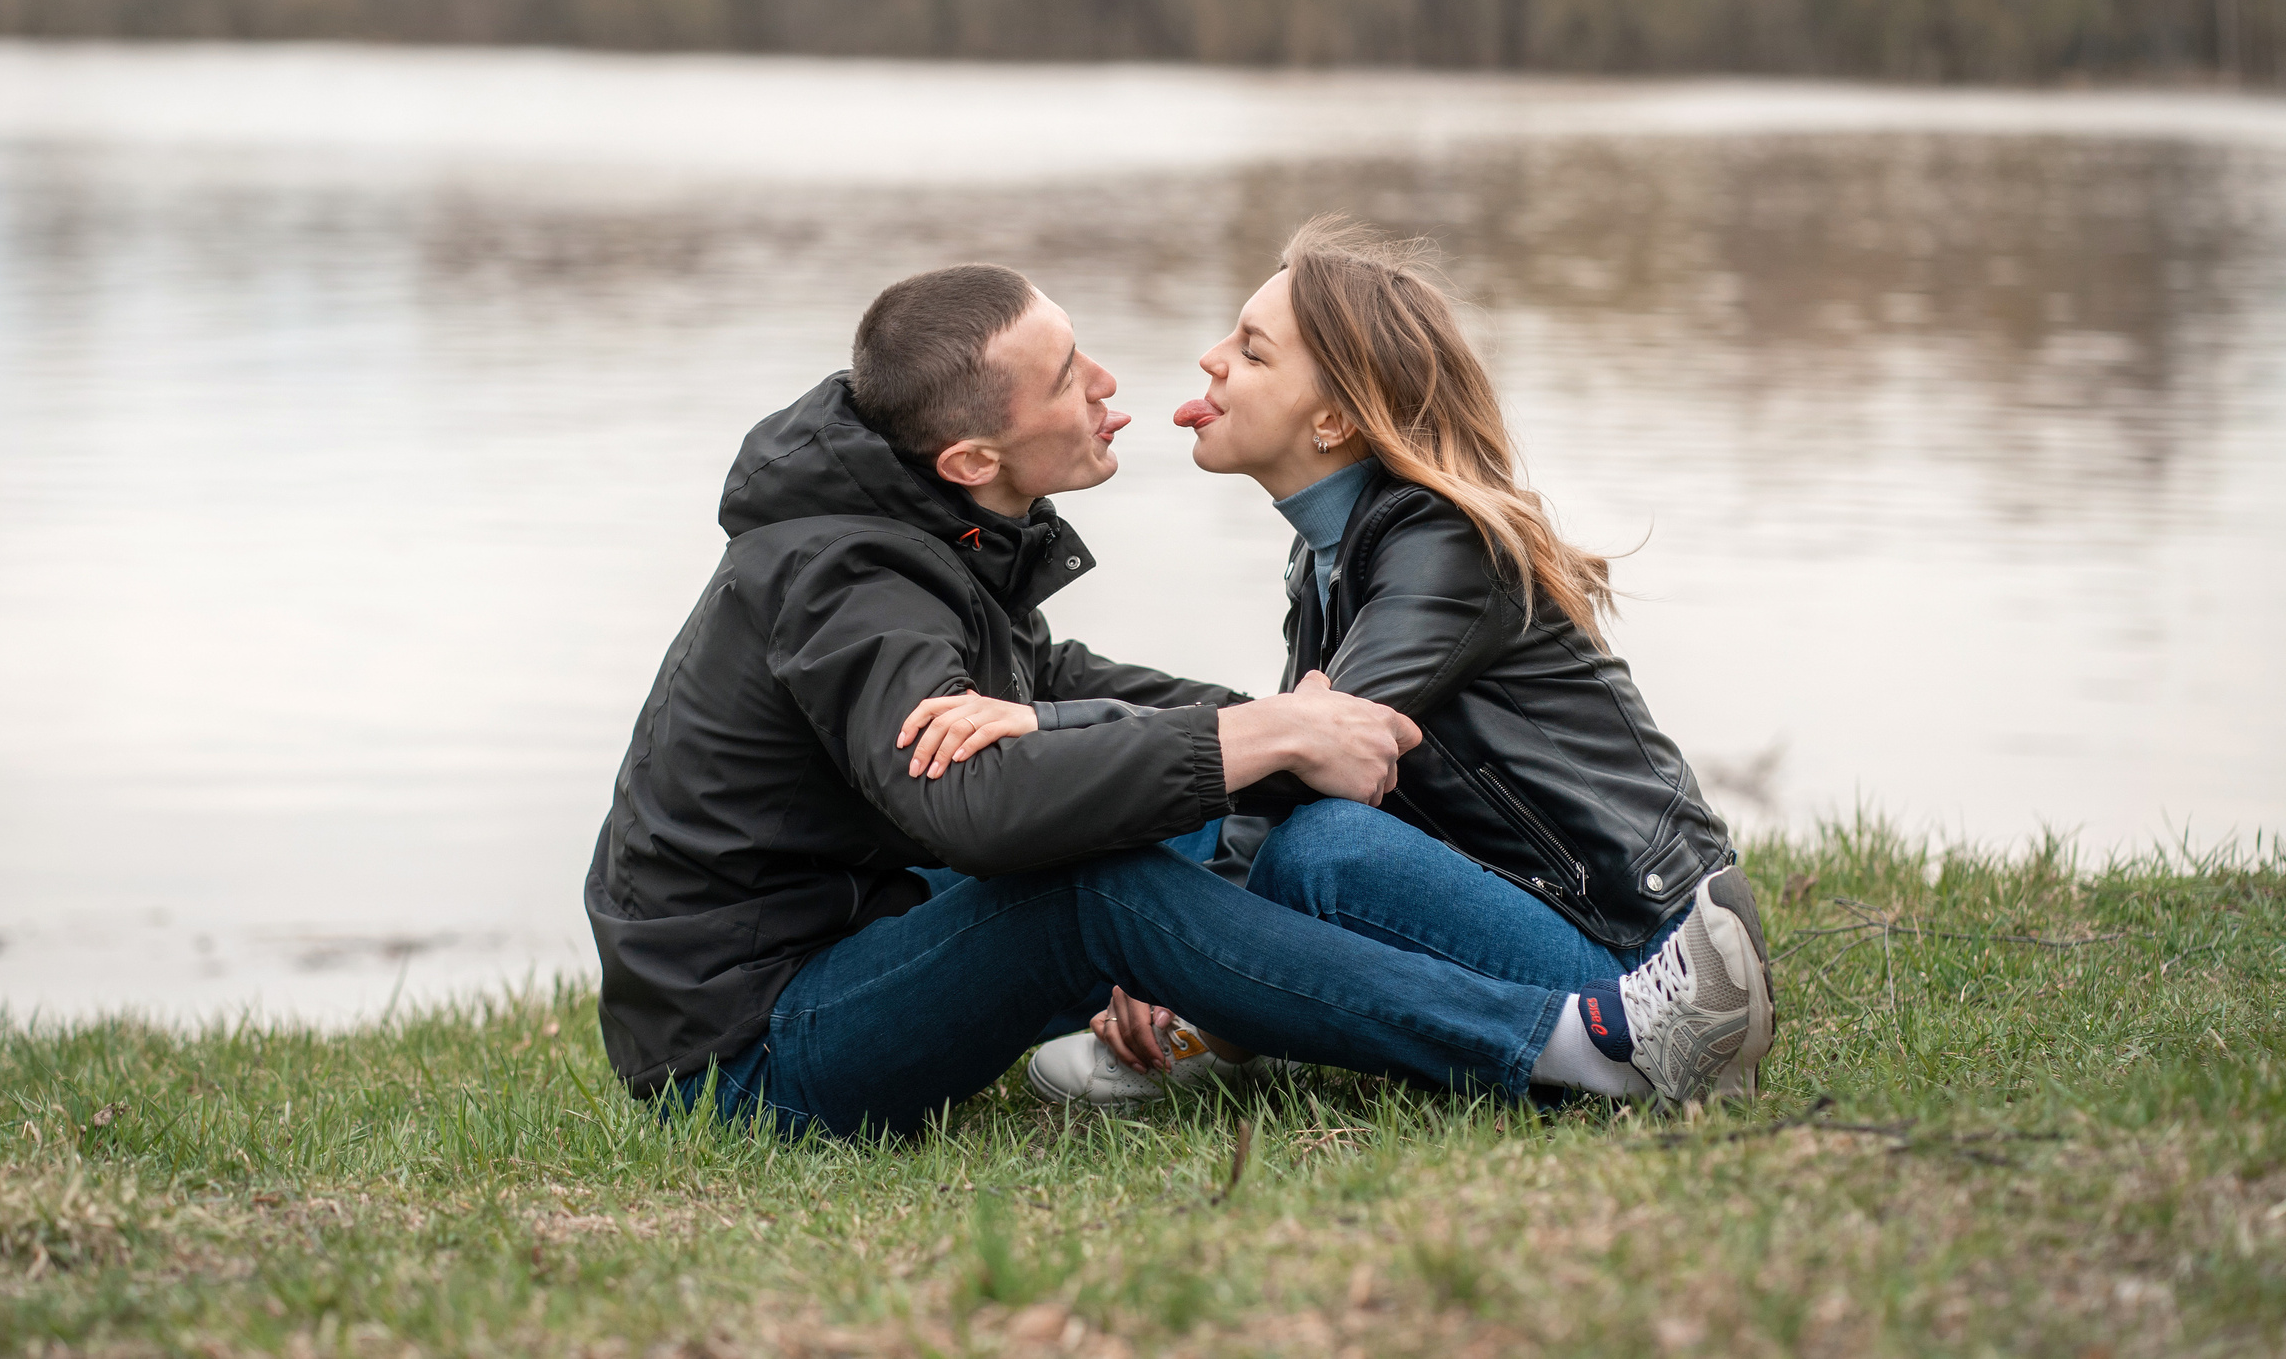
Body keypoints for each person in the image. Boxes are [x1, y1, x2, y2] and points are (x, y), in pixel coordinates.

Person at [582, 260, 1764, 1138]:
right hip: (742, 1066)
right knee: (1116, 880)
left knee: (1235, 819)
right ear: (972, 462)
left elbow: (1069, 697)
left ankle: (1267, 1014)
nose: (1114, 381)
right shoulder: (852, 579)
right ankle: (1573, 1047)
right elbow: (976, 806)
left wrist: (1229, 732)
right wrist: (1258, 733)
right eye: (1063, 376)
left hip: (1608, 906)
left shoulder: (928, 536)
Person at [916, 220, 1774, 1108]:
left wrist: (1047, 725)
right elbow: (1279, 770)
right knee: (1238, 834)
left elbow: (1315, 755)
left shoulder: (1445, 542)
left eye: (1251, 351)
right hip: (1537, 905)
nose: (1210, 359)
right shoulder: (1333, 555)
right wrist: (1177, 948)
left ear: (1333, 418)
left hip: (1647, 946)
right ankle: (1227, 1018)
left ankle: (1636, 1040)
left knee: (1327, 852)